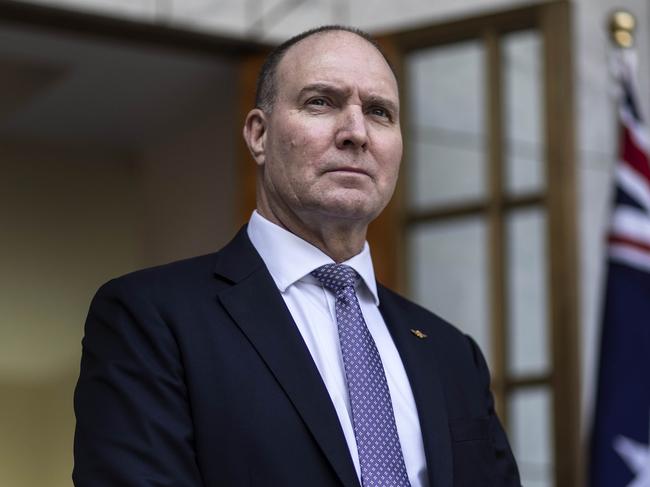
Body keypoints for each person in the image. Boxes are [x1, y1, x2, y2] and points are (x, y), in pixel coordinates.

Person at [73, 25, 521, 487]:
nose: (356, 132)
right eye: (321, 102)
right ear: (258, 136)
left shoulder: (451, 353)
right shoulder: (150, 318)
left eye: (379, 111)